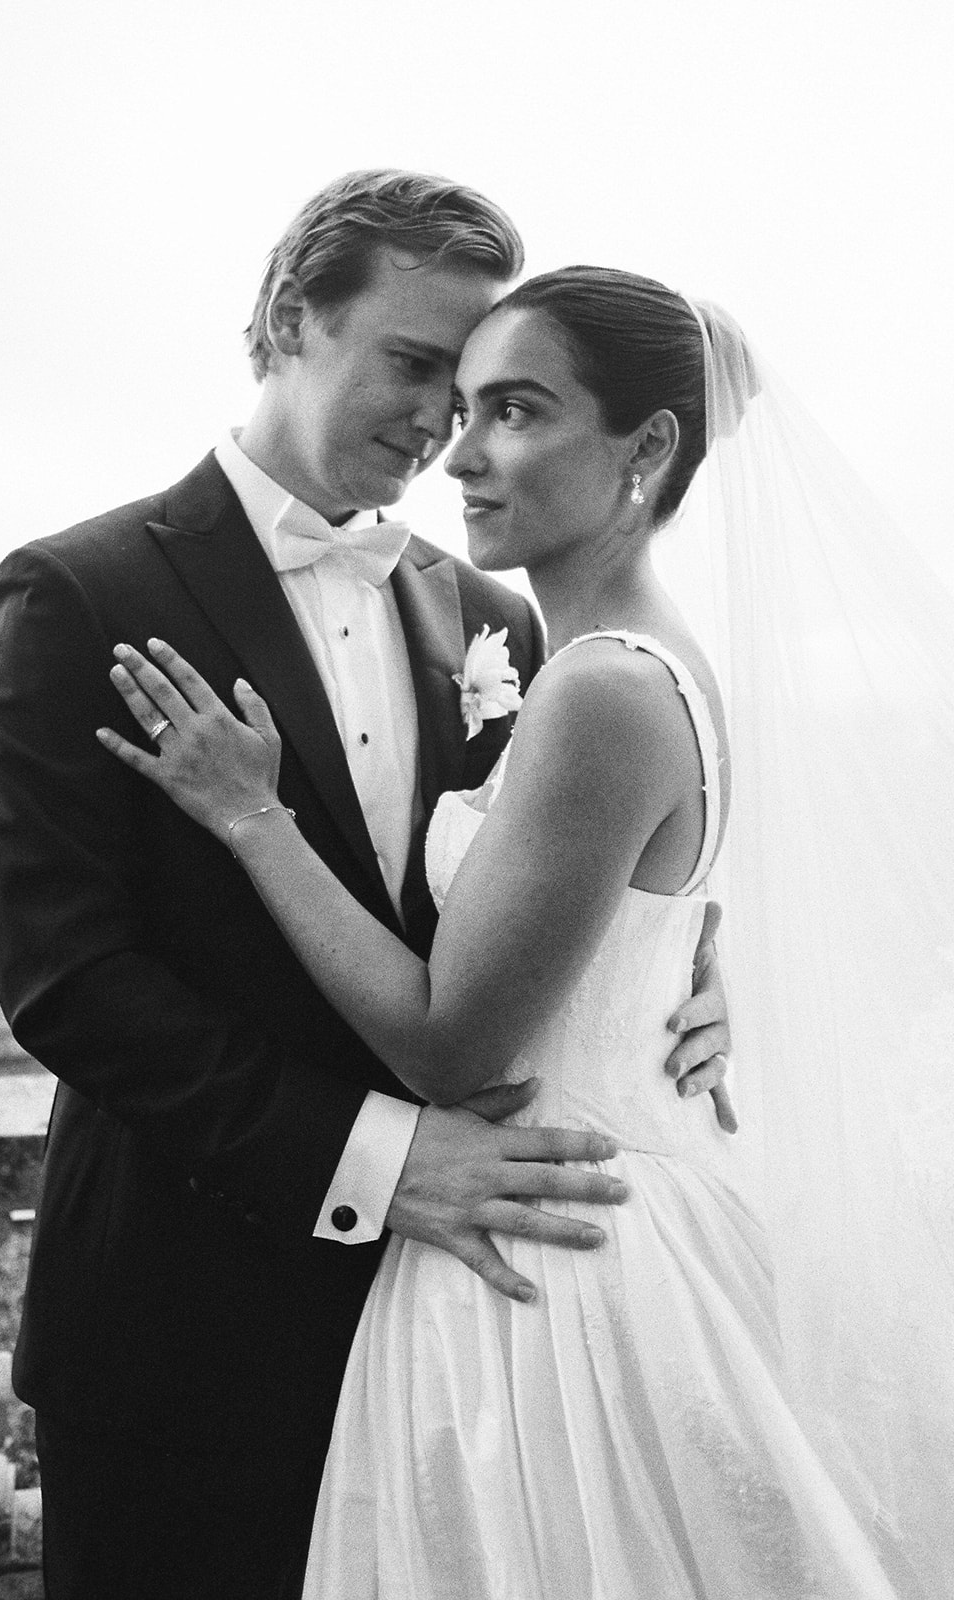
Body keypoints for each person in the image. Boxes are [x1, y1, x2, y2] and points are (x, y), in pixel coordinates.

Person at [101, 266, 954, 1597]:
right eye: (463, 409)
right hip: (585, 1215)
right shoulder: (614, 657)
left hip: (560, 1276)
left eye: (516, 413)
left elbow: (449, 1048)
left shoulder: (601, 691)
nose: (463, 453)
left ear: (647, 445)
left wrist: (253, 817)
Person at [0, 177, 731, 1600]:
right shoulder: (80, 591)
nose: (446, 417)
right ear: (287, 320)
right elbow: (68, 981)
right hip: (180, 1320)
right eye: (413, 362)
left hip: (460, 1333)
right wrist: (375, 1160)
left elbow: (550, 875)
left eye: (478, 383)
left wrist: (678, 957)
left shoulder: (491, 612)